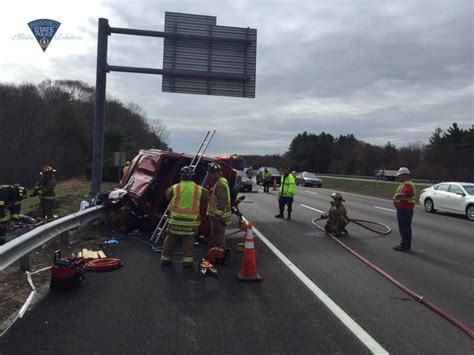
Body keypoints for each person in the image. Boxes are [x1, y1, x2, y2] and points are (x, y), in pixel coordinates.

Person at [161, 166, 208, 266]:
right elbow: (206, 196)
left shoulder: (175, 188)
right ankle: (187, 261)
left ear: (181, 176)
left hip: (175, 221)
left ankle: (166, 258)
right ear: (192, 177)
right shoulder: (198, 189)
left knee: (170, 239)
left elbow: (167, 196)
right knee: (189, 240)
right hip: (191, 222)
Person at [207, 163, 232, 249]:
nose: (210, 175)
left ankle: (219, 254)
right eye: (210, 173)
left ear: (218, 173)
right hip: (217, 215)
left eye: (212, 173)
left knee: (218, 237)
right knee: (216, 236)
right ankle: (216, 252)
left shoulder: (220, 184)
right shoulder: (218, 182)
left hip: (218, 217)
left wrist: (217, 215)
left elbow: (222, 201)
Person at [392, 167, 416, 252]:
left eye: (400, 176)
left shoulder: (407, 184)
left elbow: (409, 193)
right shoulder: (405, 183)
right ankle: (406, 245)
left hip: (404, 210)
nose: (399, 177)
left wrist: (399, 195)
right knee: (406, 228)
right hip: (405, 209)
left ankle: (404, 245)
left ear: (405, 175)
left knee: (404, 228)